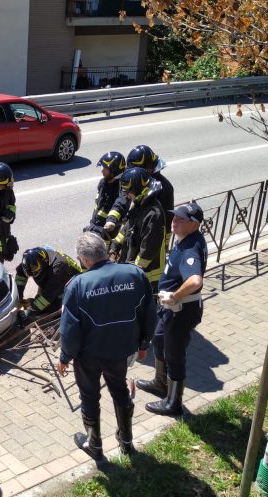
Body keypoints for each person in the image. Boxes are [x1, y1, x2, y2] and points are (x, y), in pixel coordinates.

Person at [57, 232, 156, 460]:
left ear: (83, 259)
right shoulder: (134, 274)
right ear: (104, 250)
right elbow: (149, 314)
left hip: (89, 355)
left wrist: (64, 357)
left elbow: (70, 330)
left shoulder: (78, 285)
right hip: (120, 351)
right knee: (120, 390)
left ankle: (95, 446)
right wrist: (143, 344)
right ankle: (126, 441)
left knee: (89, 397)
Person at [140, 201, 207, 417]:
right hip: (170, 310)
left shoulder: (191, 247)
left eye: (181, 219)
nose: (174, 221)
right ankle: (161, 383)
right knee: (159, 340)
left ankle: (173, 403)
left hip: (180, 311)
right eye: (174, 217)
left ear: (195, 224)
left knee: (174, 355)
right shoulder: (184, 239)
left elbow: (195, 281)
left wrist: (175, 296)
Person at [109, 167, 167, 293]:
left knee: (144, 309)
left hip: (148, 275)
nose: (128, 196)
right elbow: (127, 229)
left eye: (129, 192)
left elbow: (148, 250)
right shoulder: (139, 204)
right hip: (134, 269)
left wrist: (133, 271)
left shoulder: (153, 214)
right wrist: (114, 248)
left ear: (140, 190)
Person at [15, 246, 82, 326]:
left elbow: (48, 295)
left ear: (44, 263)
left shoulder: (58, 269)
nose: (32, 275)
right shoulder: (32, 260)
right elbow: (21, 275)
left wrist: (30, 310)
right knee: (40, 303)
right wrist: (18, 297)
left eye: (35, 272)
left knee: (52, 310)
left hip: (71, 289)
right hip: (53, 284)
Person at [127, 144, 175, 249]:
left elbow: (164, 223)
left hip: (150, 243)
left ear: (147, 170)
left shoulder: (164, 189)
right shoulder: (143, 184)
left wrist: (164, 246)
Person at [85, 151, 126, 240]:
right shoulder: (103, 182)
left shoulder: (122, 188)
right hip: (95, 226)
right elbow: (99, 205)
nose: (102, 171)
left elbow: (120, 205)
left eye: (105, 169)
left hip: (107, 231)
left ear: (114, 171)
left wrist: (111, 220)